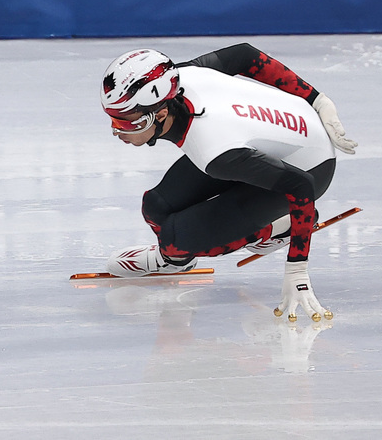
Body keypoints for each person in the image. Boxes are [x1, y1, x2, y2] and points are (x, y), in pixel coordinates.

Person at [101, 44, 357, 322]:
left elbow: (302, 186)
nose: (116, 131)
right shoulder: (184, 75)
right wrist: (316, 99)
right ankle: (174, 262)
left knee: (177, 238)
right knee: (156, 206)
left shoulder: (214, 149)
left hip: (309, 166)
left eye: (125, 123)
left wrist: (297, 270)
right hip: (258, 142)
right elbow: (245, 56)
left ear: (160, 114)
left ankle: (277, 227)